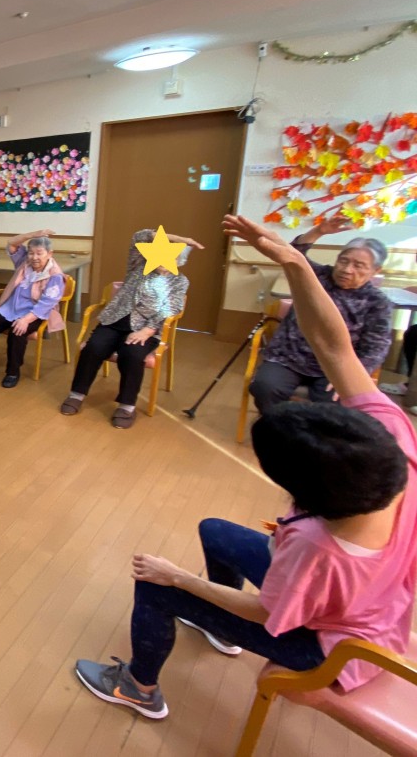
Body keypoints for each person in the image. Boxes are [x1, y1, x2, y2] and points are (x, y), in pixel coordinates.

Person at [74, 214, 417, 722]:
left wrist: (179, 578)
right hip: (371, 605)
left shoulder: (318, 546)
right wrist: (295, 260)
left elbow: (269, 612)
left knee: (156, 584)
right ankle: (216, 627)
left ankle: (138, 686)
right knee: (216, 531)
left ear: (305, 495)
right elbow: (334, 346)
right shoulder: (395, 440)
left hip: (328, 647)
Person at [249, 216, 392, 412]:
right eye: (343, 261)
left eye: (358, 266)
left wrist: (354, 377)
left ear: (376, 270)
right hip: (288, 357)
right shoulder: (318, 276)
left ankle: (312, 430)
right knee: (264, 387)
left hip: (336, 366)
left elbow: (376, 348)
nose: (347, 270)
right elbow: (292, 255)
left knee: (337, 402)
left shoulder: (377, 302)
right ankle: (278, 424)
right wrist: (318, 231)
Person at [61, 228, 200, 428]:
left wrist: (147, 330)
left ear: (179, 260)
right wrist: (181, 238)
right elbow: (138, 236)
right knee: (94, 348)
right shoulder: (139, 265)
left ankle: (127, 406)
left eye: (173, 255)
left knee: (132, 355)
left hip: (146, 328)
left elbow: (171, 308)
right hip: (114, 321)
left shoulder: (179, 281)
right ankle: (77, 394)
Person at [0, 230, 64, 387]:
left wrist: (26, 320)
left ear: (49, 253)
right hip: (11, 308)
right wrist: (34, 234)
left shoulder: (55, 276)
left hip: (35, 313)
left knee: (17, 332)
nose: (34, 257)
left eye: (39, 253)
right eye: (31, 253)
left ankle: (12, 372)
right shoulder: (24, 262)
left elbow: (46, 303)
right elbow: (11, 243)